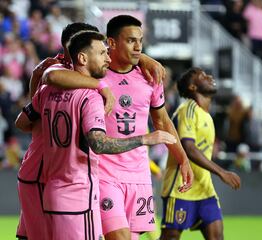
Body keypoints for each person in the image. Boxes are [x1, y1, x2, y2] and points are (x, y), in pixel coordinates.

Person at [15, 30, 177, 240]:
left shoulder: (47, 90)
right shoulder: (90, 97)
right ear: (82, 57)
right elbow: (98, 144)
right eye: (102, 53)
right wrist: (145, 139)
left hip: (49, 188)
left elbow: (22, 122)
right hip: (78, 194)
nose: (108, 58)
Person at [98, 15, 193, 240]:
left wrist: (183, 159)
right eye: (131, 40)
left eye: (140, 40)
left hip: (139, 174)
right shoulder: (95, 73)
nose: (138, 46)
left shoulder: (150, 77)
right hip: (104, 172)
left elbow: (163, 122)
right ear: (111, 43)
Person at [160, 67, 241, 240]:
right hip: (180, 188)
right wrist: (221, 172)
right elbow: (189, 148)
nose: (209, 77)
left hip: (205, 189)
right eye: (203, 76)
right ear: (192, 87)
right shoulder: (187, 110)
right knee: (170, 237)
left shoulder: (207, 116)